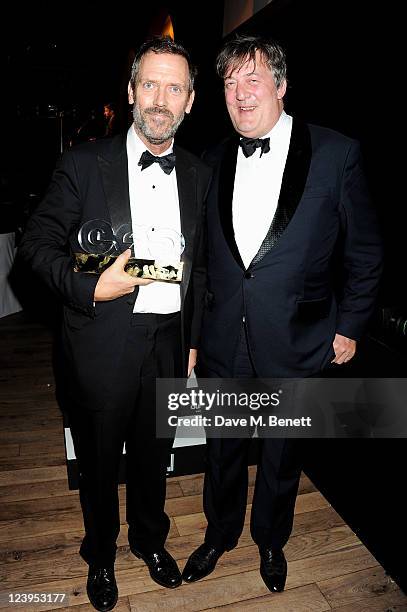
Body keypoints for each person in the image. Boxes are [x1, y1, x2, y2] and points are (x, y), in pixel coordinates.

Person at [182, 34, 382, 593]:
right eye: (229, 82)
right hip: (225, 338)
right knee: (222, 448)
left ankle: (271, 539)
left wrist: (350, 325)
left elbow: (365, 252)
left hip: (298, 337)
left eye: (253, 79)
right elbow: (202, 263)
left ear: (282, 86)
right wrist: (196, 334)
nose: (241, 94)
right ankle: (220, 534)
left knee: (281, 452)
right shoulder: (213, 160)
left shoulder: (337, 153)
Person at [19, 36, 211, 611]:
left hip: (170, 344)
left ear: (191, 100)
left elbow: (200, 269)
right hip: (102, 338)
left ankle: (150, 540)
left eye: (173, 87)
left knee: (155, 454)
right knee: (100, 461)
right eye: (149, 84)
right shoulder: (83, 164)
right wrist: (88, 285)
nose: (160, 99)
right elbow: (36, 245)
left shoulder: (200, 175)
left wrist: (195, 336)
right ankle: (100, 553)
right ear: (130, 92)